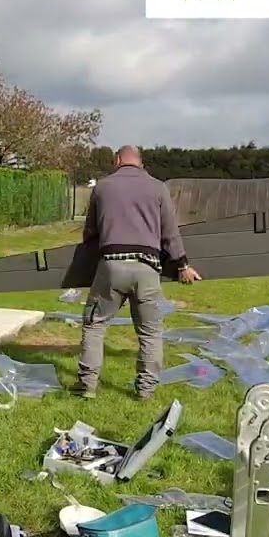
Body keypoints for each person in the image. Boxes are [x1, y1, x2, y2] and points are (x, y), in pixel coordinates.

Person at [73, 146, 201, 401]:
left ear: (117, 160)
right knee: (151, 332)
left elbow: (89, 233)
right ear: (140, 163)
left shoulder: (102, 187)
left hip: (111, 267)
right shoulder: (158, 187)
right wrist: (183, 265)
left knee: (95, 325)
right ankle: (146, 390)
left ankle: (87, 386)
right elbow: (170, 234)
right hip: (147, 270)